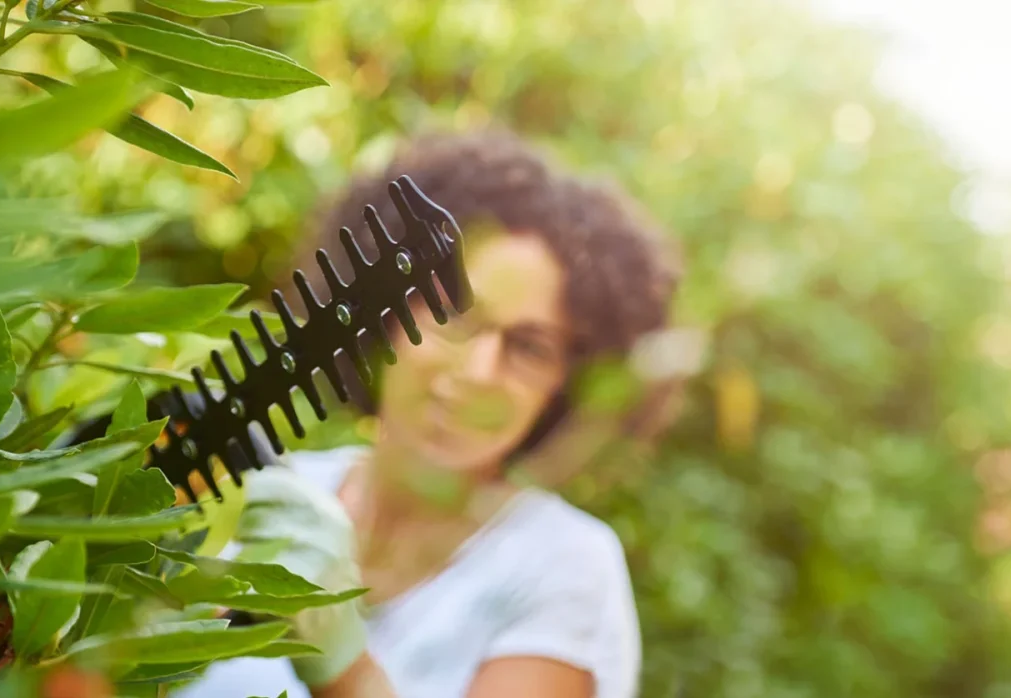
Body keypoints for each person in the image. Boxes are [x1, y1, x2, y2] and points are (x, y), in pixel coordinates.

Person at [176, 130, 680, 698]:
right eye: (453, 314)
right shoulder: (270, 494)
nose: (479, 371)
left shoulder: (563, 566)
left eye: (529, 347)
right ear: (386, 315)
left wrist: (343, 663)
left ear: (563, 389)